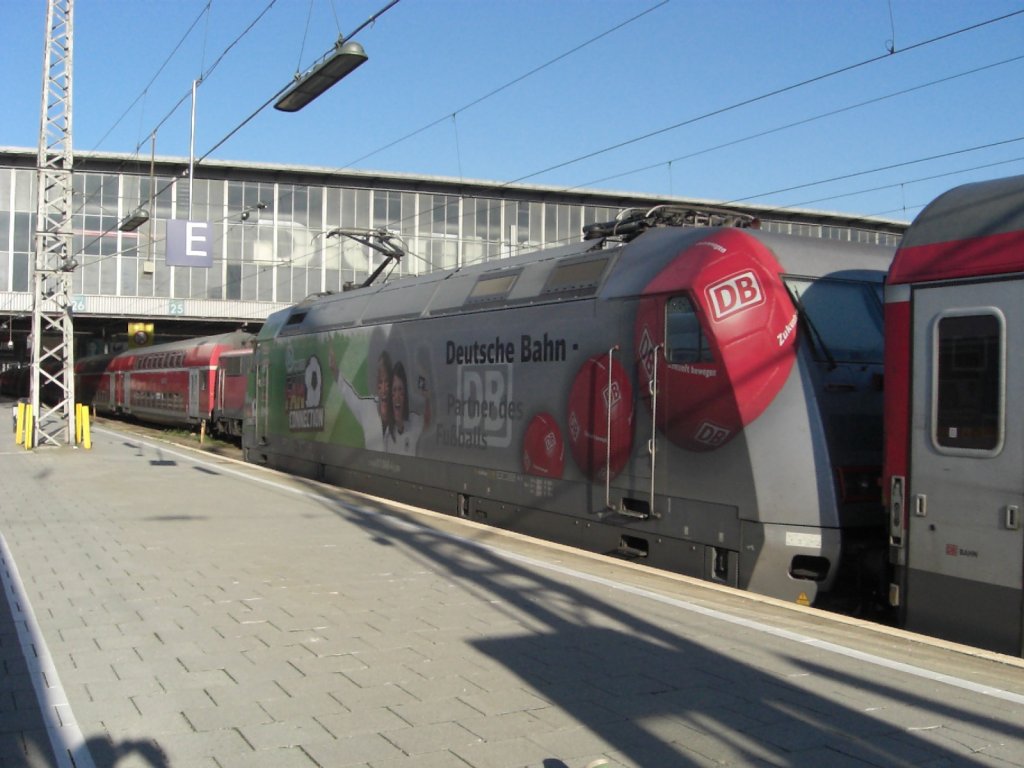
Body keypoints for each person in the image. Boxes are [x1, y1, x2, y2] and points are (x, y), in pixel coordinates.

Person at [336, 350, 393, 451]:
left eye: (387, 382)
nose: (383, 389)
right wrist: (335, 371)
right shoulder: (367, 407)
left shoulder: (401, 415)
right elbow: (350, 395)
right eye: (380, 381)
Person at [386, 360, 430, 455]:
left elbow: (428, 421)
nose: (397, 396)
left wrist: (427, 398)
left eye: (400, 389)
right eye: (394, 390)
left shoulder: (414, 422)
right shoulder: (387, 435)